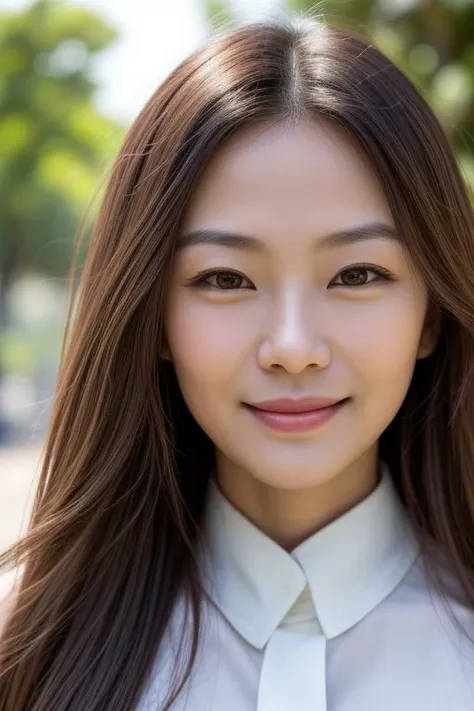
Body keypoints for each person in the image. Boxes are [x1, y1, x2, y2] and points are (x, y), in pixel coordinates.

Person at [1, 14, 474, 711]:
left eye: (357, 274)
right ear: (154, 316)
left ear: (430, 313)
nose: (292, 347)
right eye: (225, 279)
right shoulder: (33, 660)